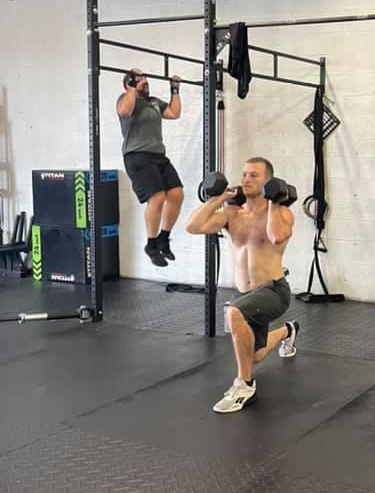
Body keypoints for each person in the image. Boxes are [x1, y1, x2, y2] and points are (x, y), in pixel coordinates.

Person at [185, 157, 300, 412]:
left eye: (254, 175)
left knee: (234, 312)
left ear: (269, 181)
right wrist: (216, 199)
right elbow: (192, 226)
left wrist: (273, 201)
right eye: (244, 174)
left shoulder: (282, 213)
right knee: (254, 354)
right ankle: (288, 331)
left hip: (273, 290)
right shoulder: (231, 213)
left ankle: (244, 386)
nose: (246, 179)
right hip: (244, 293)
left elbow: (276, 236)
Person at [116, 68, 184, 267]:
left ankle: (164, 238)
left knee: (177, 194)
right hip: (137, 156)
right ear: (129, 83)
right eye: (139, 79)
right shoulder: (126, 100)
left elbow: (174, 113)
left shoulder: (153, 101)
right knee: (158, 197)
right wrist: (131, 88)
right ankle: (151, 244)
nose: (145, 81)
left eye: (145, 78)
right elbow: (124, 111)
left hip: (158, 156)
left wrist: (175, 89)